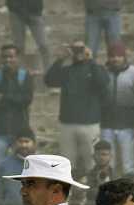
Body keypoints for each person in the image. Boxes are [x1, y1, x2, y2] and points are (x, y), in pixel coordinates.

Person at [45, 41, 109, 179]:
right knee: (66, 164)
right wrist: (60, 59)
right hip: (67, 124)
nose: (78, 52)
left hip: (90, 124)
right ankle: (68, 195)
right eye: (75, 49)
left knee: (92, 162)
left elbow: (103, 82)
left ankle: (95, 195)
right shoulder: (67, 71)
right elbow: (49, 80)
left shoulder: (95, 68)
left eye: (81, 49)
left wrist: (91, 60)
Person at [0, 44, 34, 164]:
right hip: (0, 130)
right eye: (5, 57)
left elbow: (27, 100)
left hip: (20, 130)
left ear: (17, 58)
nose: (8, 60)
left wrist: (4, 97)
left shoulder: (25, 77)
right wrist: (16, 99)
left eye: (11, 56)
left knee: (22, 166)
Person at [100, 42, 134, 176]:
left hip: (127, 123)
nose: (115, 59)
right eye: (112, 56)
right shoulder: (103, 72)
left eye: (118, 56)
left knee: (128, 162)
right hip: (106, 122)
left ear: (124, 57)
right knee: (107, 161)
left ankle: (131, 190)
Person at [6, 0, 51, 71]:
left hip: (34, 14)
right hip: (17, 13)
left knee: (43, 45)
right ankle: (19, 73)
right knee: (19, 46)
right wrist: (19, 9)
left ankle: (49, 73)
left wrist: (37, 11)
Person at [84, 140, 117, 205]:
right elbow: (86, 195)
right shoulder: (87, 176)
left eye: (104, 154)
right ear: (93, 156)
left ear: (111, 156)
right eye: (98, 154)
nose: (102, 158)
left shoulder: (117, 177)